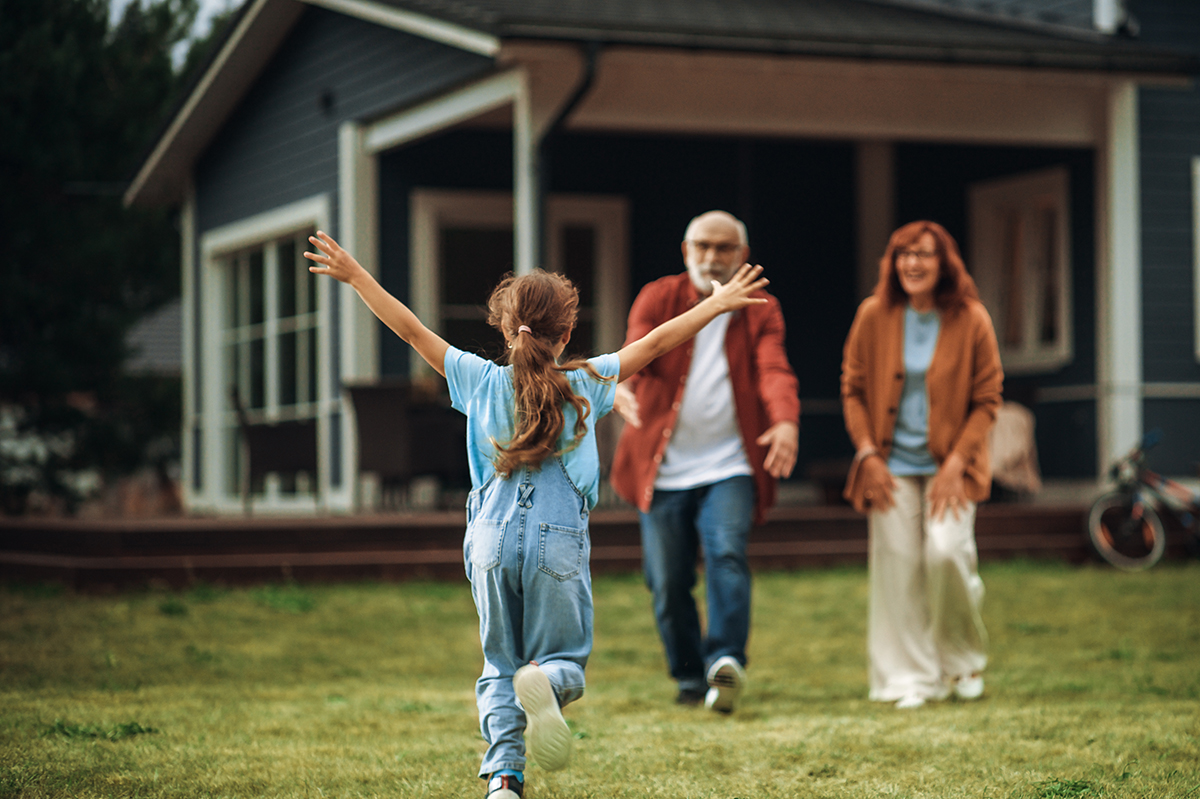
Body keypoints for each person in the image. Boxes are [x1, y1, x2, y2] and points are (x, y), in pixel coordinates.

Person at [305, 230, 770, 798]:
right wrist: (715, 304)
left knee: (499, 665)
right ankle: (548, 683)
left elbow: (409, 329)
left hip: (490, 539)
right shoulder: (586, 382)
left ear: (504, 329)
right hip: (558, 540)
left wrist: (355, 276)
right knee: (562, 660)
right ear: (568, 332)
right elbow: (655, 344)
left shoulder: (477, 379)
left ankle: (504, 780)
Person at [610, 210, 800, 714]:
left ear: (742, 255)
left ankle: (726, 661)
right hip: (661, 467)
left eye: (724, 248)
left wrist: (784, 420)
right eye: (703, 246)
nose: (712, 257)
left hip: (730, 464)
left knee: (727, 553)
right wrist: (622, 388)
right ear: (686, 250)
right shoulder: (658, 296)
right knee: (667, 581)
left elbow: (773, 369)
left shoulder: (762, 308)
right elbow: (638, 348)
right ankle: (691, 678)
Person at [840, 220, 1003, 710]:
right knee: (901, 568)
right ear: (892, 263)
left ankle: (963, 662)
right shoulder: (873, 314)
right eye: (904, 253)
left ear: (943, 262)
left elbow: (988, 398)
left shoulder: (972, 318)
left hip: (950, 467)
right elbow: (853, 389)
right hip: (889, 466)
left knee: (946, 554)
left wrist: (956, 463)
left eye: (924, 254)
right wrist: (867, 453)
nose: (913, 262)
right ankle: (911, 679)